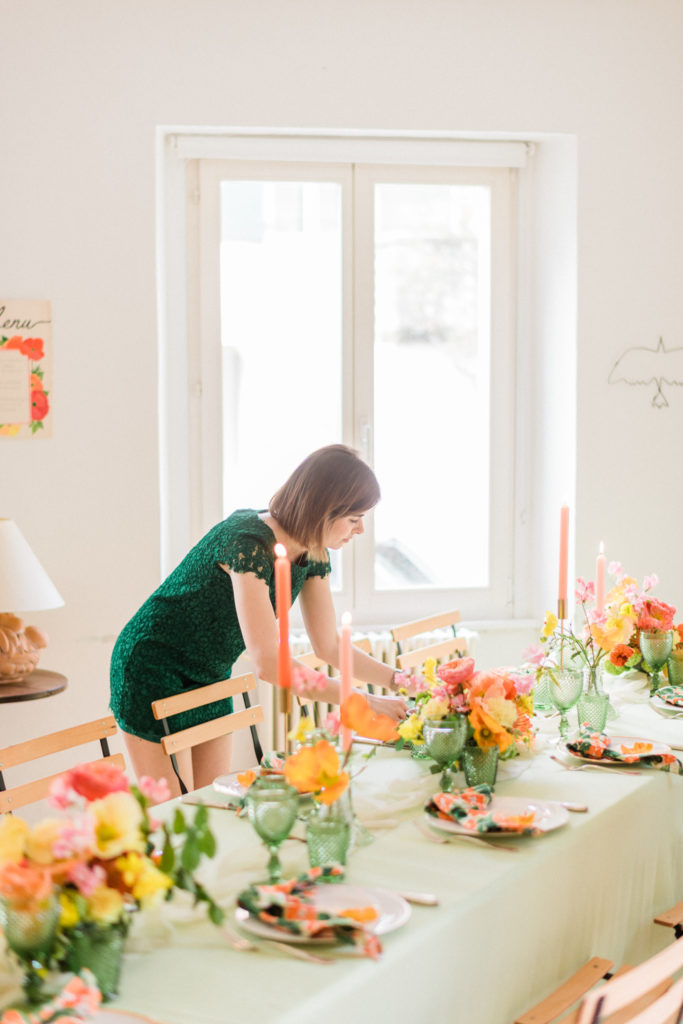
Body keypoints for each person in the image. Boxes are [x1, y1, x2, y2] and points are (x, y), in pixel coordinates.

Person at [110, 444, 408, 795]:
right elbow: (268, 662)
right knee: (170, 812)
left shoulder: (313, 552)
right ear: (325, 509)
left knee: (214, 801)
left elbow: (328, 645)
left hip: (209, 672)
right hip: (150, 664)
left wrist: (401, 681)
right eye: (355, 518)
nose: (359, 531)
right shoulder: (247, 542)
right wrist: (365, 700)